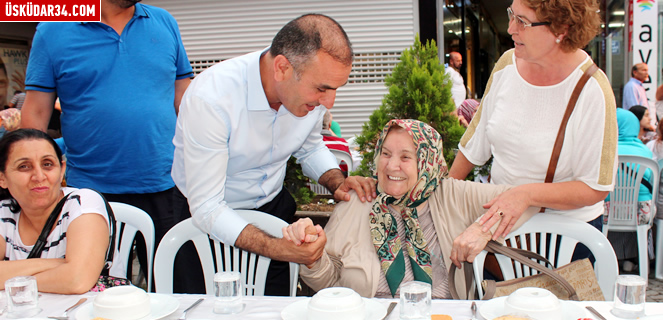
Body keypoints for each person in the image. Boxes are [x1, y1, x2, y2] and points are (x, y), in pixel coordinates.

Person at [172, 14, 376, 295]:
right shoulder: (211, 99)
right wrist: (278, 248)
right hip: (204, 224)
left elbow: (311, 146)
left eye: (335, 90)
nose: (328, 103)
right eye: (322, 89)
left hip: (274, 211)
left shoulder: (306, 95)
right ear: (281, 68)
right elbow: (208, 208)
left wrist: (336, 182)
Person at [21, 0, 193, 290]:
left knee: (175, 287)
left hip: (167, 183)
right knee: (98, 290)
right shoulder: (53, 28)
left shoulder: (164, 22)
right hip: (92, 192)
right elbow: (37, 111)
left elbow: (185, 98)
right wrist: (27, 175)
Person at [285, 119, 539, 298]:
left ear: (427, 161)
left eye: (406, 157)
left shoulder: (453, 194)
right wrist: (312, 256)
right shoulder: (358, 201)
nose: (391, 166)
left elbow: (528, 201)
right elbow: (327, 283)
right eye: (385, 154)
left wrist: (483, 228)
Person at [448, 0, 617, 247]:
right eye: (511, 15)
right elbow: (475, 143)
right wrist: (441, 197)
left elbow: (596, 187)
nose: (510, 28)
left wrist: (525, 195)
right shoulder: (507, 65)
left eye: (523, 21)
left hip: (564, 242)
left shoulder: (592, 89)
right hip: (502, 231)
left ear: (562, 29)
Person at [0, 129, 110, 294]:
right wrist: (56, 264)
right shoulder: (4, 212)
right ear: (2, 178)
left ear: (61, 170)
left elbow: (77, 280)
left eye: (47, 164)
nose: (39, 176)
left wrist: (11, 277)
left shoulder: (83, 203)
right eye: (24, 167)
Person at [605, 109, 654, 272]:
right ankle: (636, 258)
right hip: (639, 213)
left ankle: (612, 259)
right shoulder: (646, 152)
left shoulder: (605, 151)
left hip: (608, 212)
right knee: (645, 204)